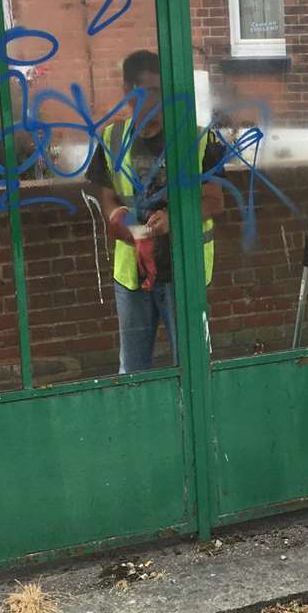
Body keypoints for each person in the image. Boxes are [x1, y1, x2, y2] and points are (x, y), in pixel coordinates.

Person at [87, 49, 225, 374]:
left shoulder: (199, 138)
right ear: (127, 93)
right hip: (132, 276)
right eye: (141, 97)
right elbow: (106, 198)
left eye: (156, 96)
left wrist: (173, 221)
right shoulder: (112, 138)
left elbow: (215, 201)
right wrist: (120, 223)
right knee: (133, 371)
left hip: (184, 273)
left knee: (193, 368)